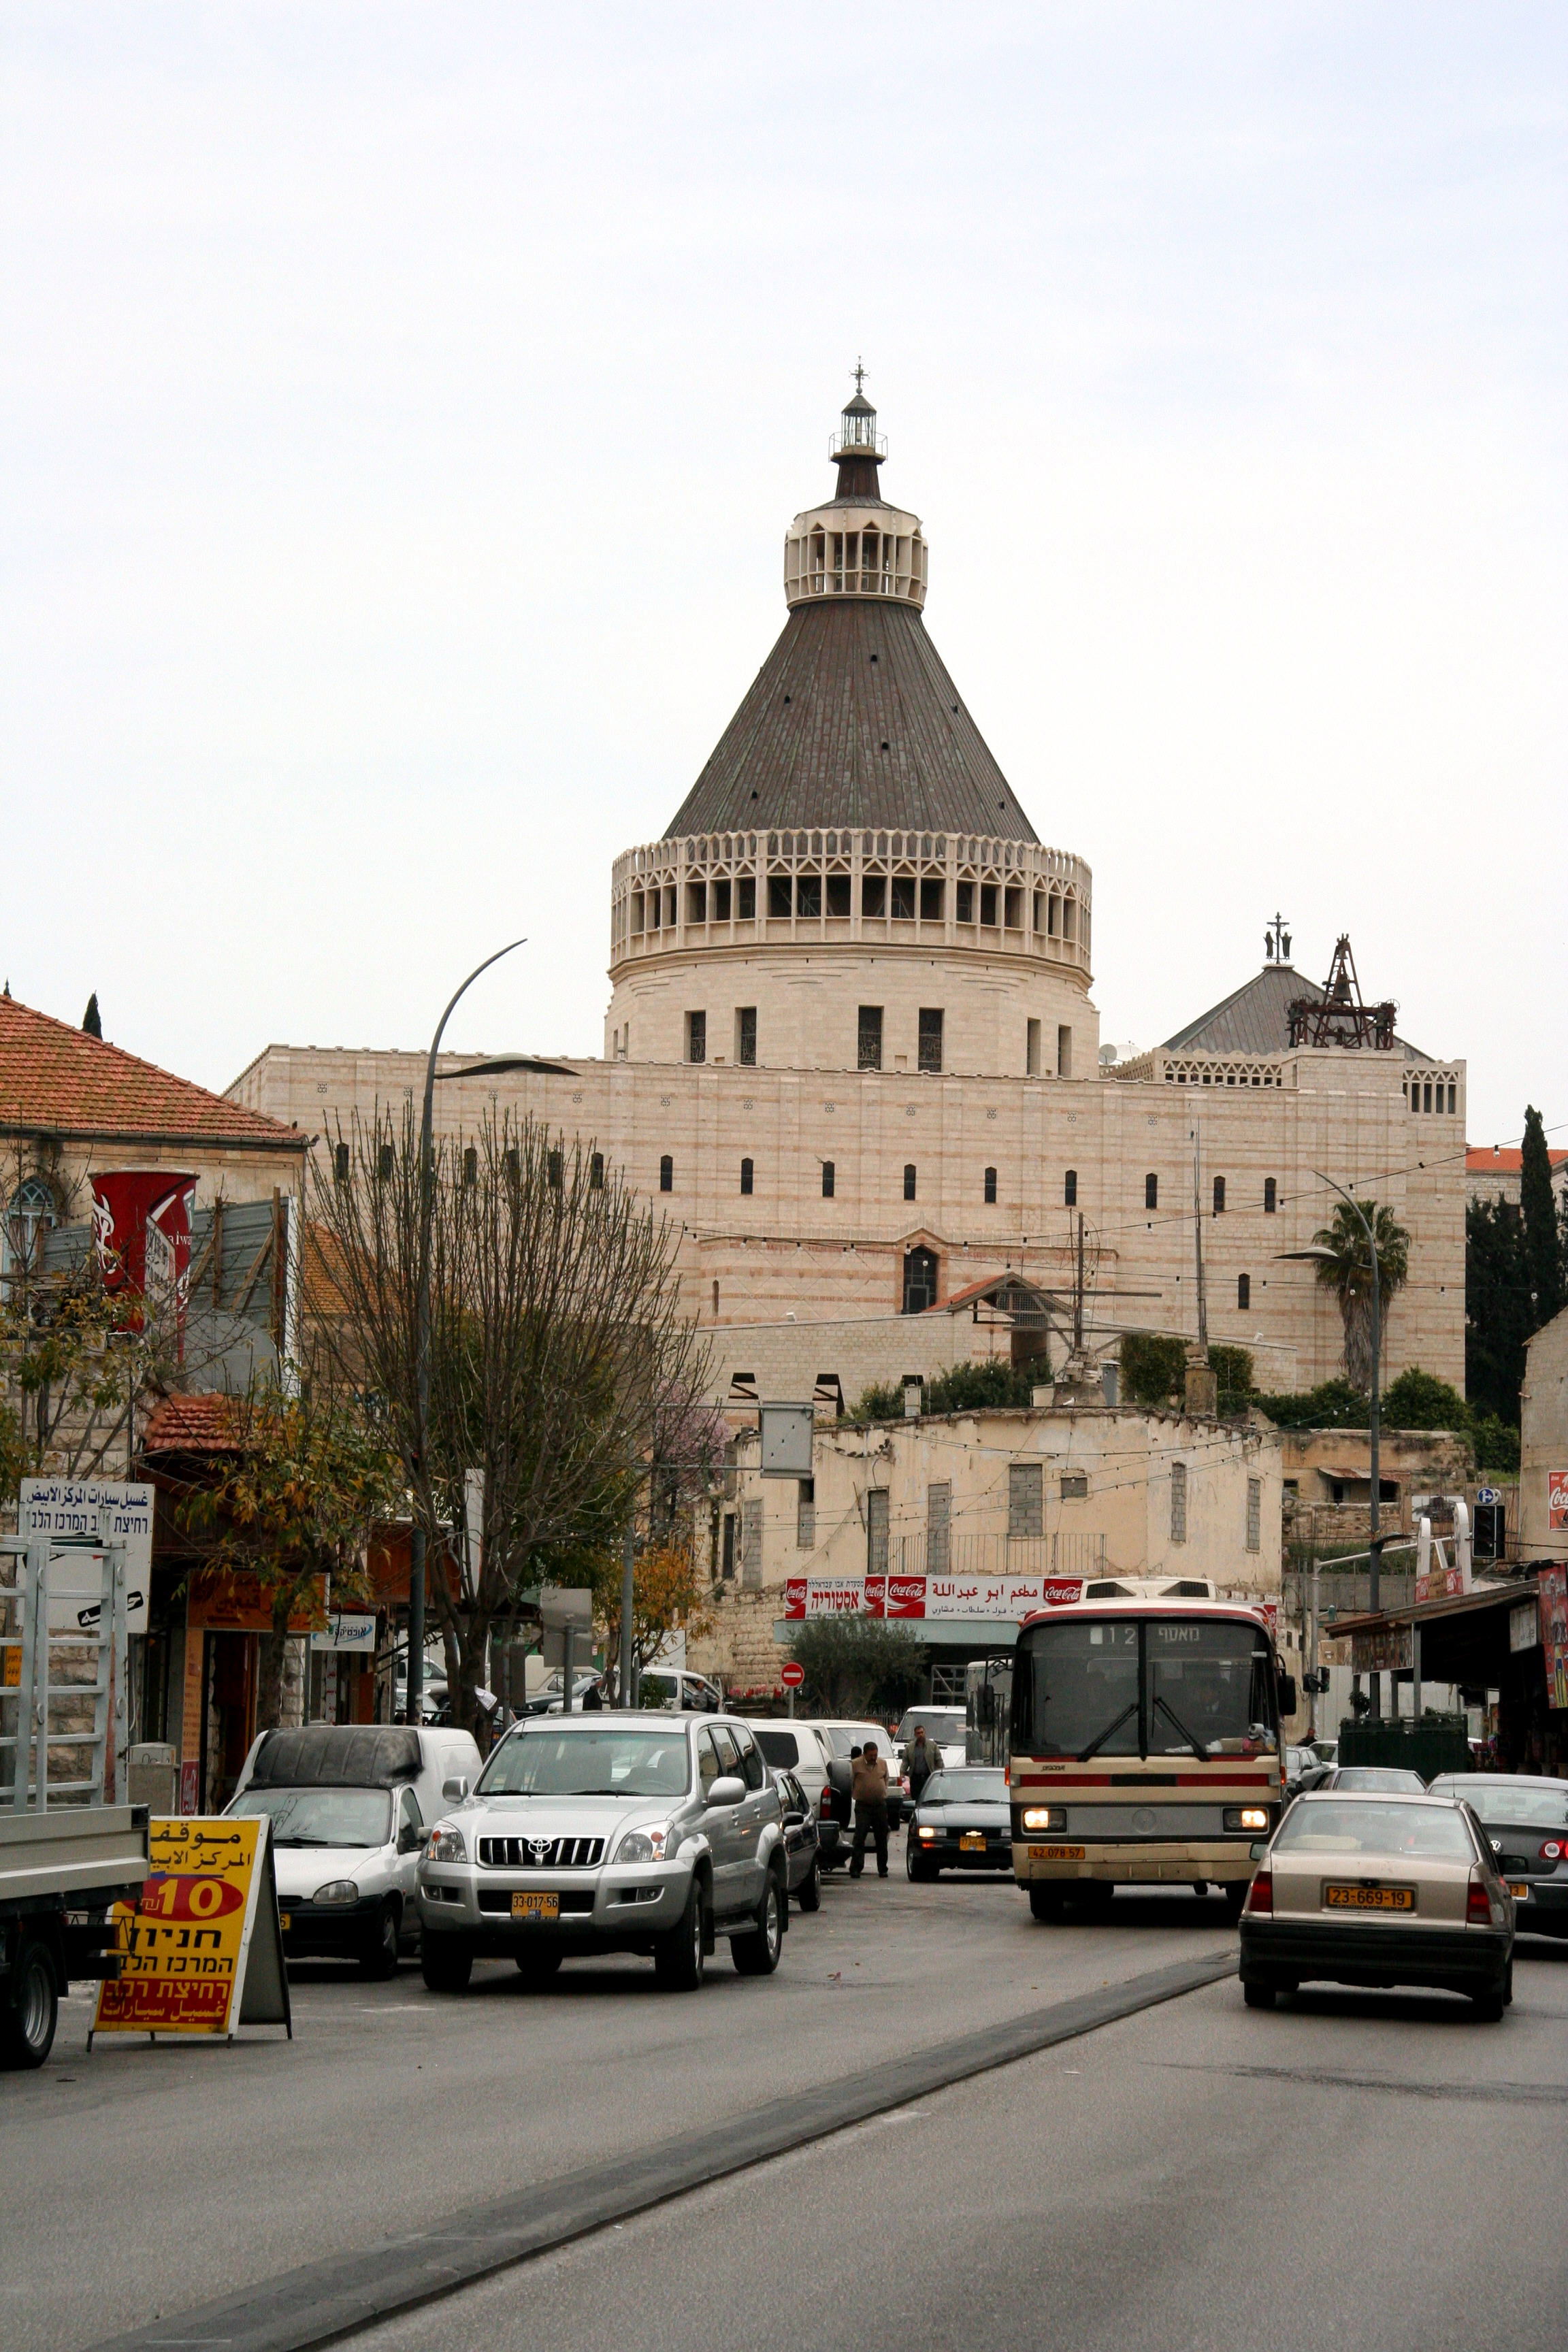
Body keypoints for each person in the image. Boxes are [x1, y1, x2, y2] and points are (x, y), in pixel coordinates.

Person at [849, 1740, 890, 1878]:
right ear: (864, 1754)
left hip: (880, 1806)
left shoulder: (882, 1763)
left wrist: (881, 1792)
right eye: (871, 1755)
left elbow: (886, 1780)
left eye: (875, 1755)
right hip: (863, 1806)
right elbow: (851, 1782)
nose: (874, 1758)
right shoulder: (855, 1764)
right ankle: (856, 1868)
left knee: (881, 1838)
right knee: (860, 1837)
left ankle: (883, 1868)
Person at [905, 1724, 938, 1800]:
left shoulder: (932, 1746)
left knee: (929, 1798)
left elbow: (939, 1761)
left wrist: (939, 1774)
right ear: (915, 1735)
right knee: (916, 1798)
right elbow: (905, 1762)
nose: (920, 1735)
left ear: (924, 1733)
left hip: (928, 1777)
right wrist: (903, 1774)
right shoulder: (910, 1747)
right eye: (918, 1733)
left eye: (922, 1732)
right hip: (915, 1778)